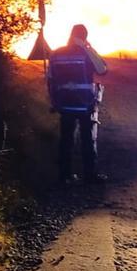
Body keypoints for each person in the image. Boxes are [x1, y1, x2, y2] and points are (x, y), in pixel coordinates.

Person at [46, 24, 109, 184]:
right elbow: (102, 69)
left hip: (65, 104)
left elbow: (50, 79)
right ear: (84, 37)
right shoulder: (85, 53)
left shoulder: (56, 53)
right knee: (87, 139)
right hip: (84, 103)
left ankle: (64, 176)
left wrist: (54, 101)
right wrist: (89, 48)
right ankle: (89, 175)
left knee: (66, 139)